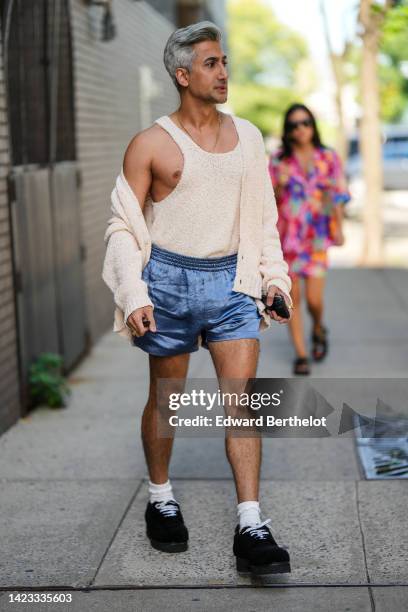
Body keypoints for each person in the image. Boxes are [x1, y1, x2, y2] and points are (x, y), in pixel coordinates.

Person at [102, 21, 293, 576]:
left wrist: (273, 279)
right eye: (212, 63)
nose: (224, 71)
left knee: (243, 403)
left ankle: (251, 525)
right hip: (168, 284)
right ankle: (161, 496)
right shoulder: (150, 144)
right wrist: (133, 290)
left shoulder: (250, 137)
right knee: (167, 401)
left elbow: (264, 218)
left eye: (225, 61)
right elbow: (122, 225)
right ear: (183, 75)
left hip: (233, 283)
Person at [268, 103, 351, 376]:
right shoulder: (279, 160)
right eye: (293, 125)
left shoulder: (327, 157)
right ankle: (301, 354)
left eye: (305, 122)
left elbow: (337, 194)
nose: (300, 128)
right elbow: (268, 199)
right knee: (293, 299)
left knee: (315, 300)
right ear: (287, 130)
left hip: (316, 238)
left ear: (313, 125)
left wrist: (338, 227)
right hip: (287, 239)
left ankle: (317, 327)